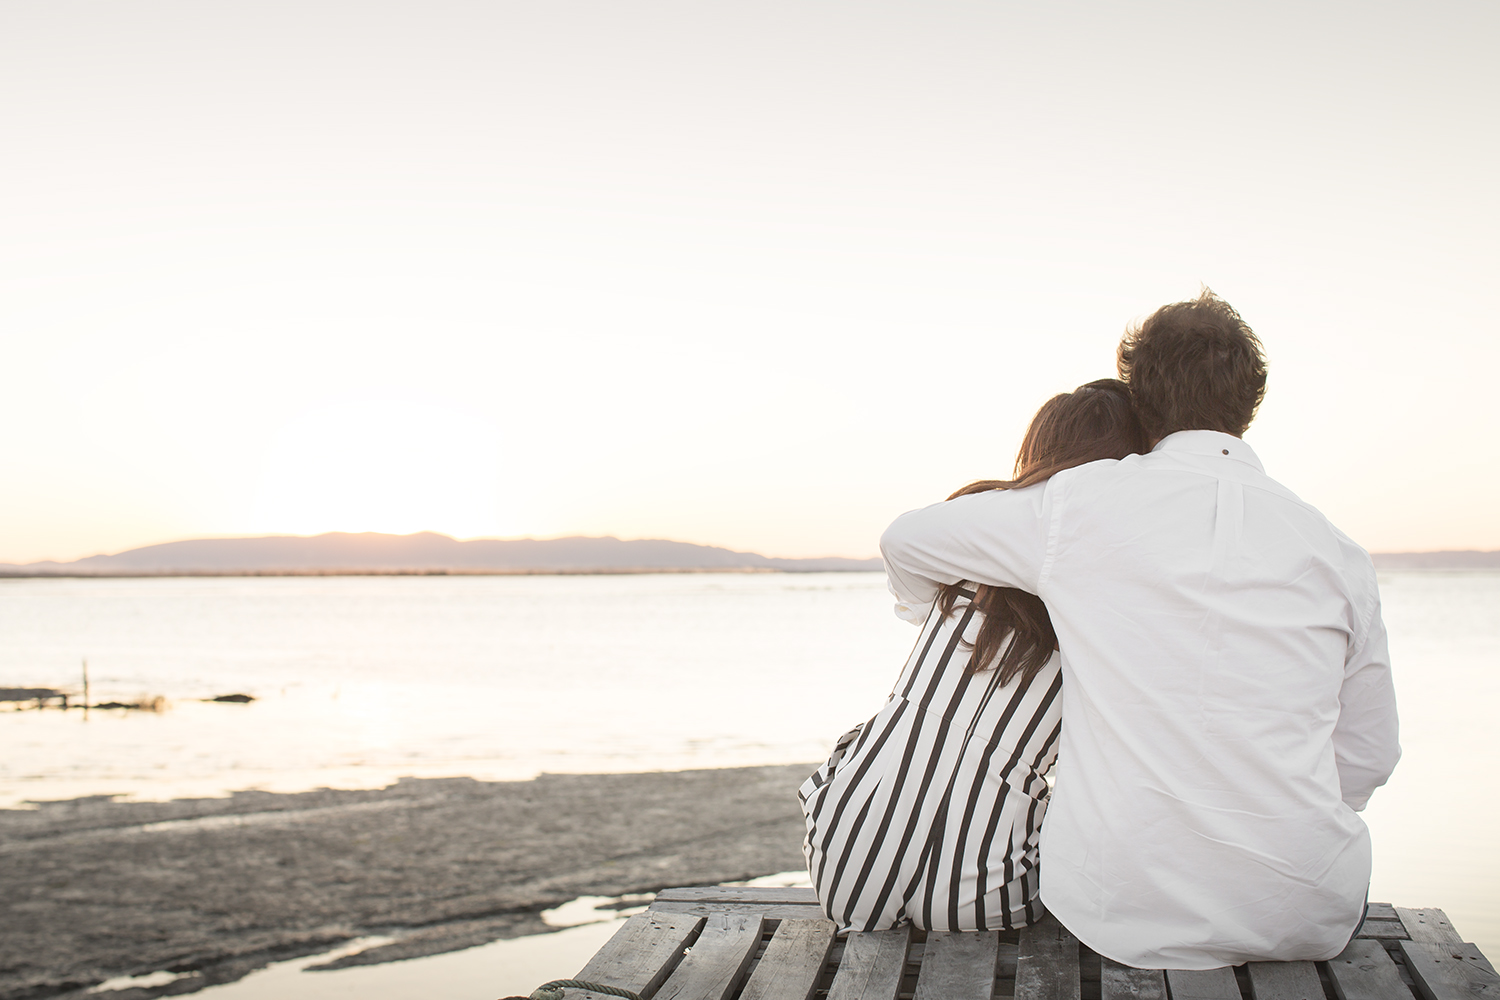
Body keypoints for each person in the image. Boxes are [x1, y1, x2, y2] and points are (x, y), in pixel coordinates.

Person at [879, 290, 1400, 969]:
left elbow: (906, 543)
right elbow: (1370, 753)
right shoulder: (1337, 552)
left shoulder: (1082, 507)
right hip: (1306, 910)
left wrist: (939, 621)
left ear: (1140, 396)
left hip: (1120, 910)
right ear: (1250, 402)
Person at [801, 379, 1148, 933]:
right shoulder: (1106, 615)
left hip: (841, 865)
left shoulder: (960, 567)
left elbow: (910, 583)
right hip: (986, 895)